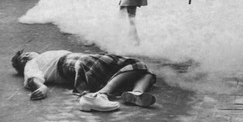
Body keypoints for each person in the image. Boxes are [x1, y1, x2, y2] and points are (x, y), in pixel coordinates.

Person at [11, 50, 156, 112]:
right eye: (26, 53)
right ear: (25, 58)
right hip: (76, 62)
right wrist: (40, 87)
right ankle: (99, 95)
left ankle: (136, 93)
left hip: (80, 66)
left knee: (144, 72)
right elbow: (32, 77)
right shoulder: (32, 62)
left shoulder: (41, 59)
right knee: (136, 64)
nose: (31, 52)